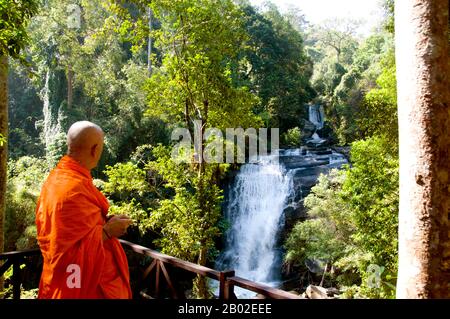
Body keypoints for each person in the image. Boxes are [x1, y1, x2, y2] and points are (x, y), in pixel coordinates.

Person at [36, 121, 133, 299]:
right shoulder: (72, 187)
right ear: (95, 149)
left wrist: (104, 222)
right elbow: (67, 251)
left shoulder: (56, 179)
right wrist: (107, 231)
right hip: (86, 284)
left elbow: (70, 231)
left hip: (64, 277)